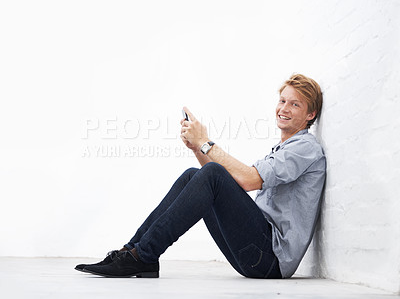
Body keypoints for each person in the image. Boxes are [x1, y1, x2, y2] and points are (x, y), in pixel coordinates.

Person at [75, 73, 326, 279]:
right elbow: (229, 181)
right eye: (282, 101)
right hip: (256, 252)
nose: (284, 108)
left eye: (295, 104)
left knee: (213, 173)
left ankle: (143, 256)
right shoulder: (285, 148)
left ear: (310, 115)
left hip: (269, 260)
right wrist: (198, 148)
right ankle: (133, 253)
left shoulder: (306, 148)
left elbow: (248, 180)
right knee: (193, 175)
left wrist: (205, 142)